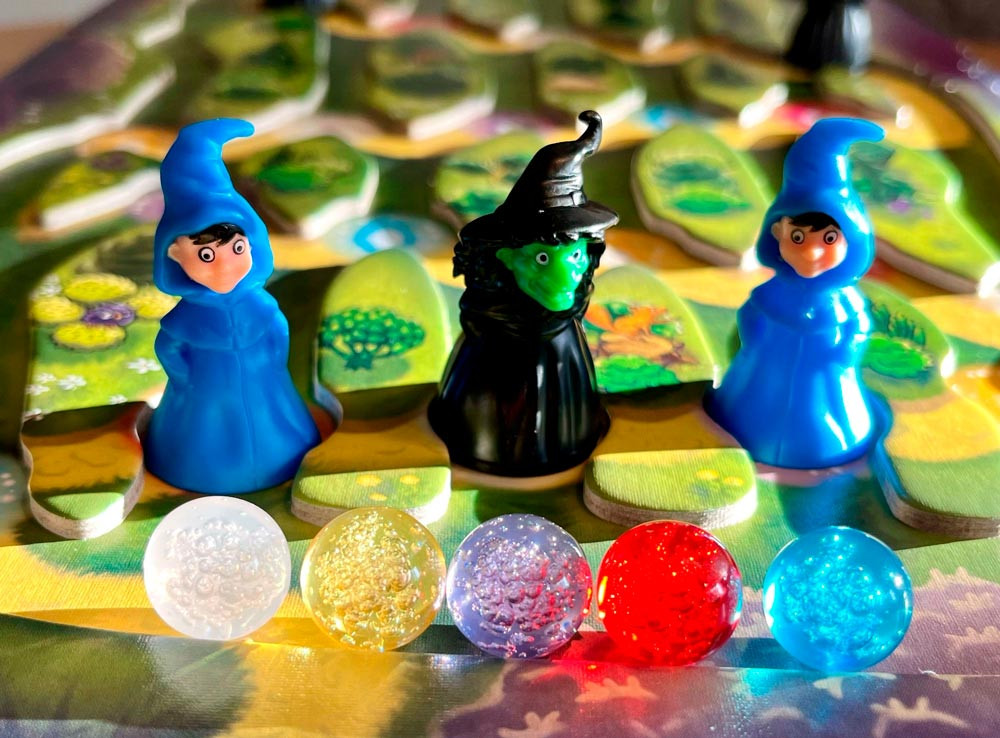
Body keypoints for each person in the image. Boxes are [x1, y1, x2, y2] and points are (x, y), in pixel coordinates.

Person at [144, 118, 320, 494]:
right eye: (206, 255)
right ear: (173, 253)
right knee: (205, 433)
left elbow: (277, 328)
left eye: (237, 248)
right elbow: (168, 346)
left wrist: (274, 361)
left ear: (252, 243)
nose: (225, 267)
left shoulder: (259, 303)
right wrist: (185, 378)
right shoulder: (187, 318)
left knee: (274, 420)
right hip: (205, 390)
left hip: (265, 380)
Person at [706, 117, 883, 469]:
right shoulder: (772, 293)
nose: (811, 253)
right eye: (798, 238)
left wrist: (845, 351)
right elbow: (751, 314)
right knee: (756, 400)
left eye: (828, 239)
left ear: (852, 239)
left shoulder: (843, 302)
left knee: (825, 418)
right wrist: (752, 339)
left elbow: (858, 326)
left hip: (825, 375)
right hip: (762, 379)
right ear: (777, 233)